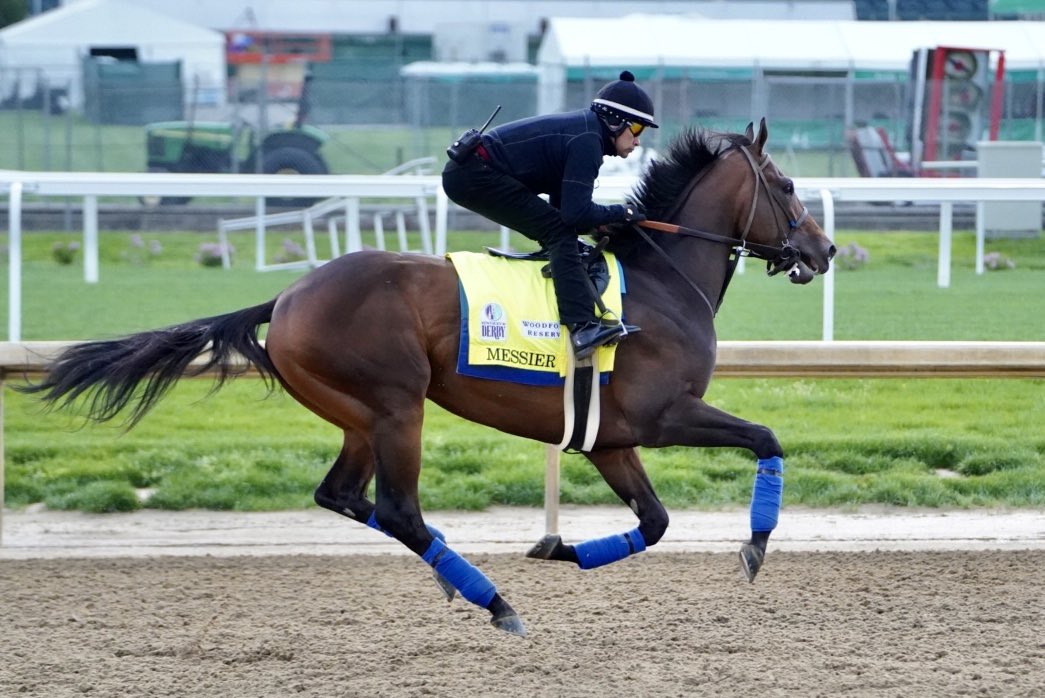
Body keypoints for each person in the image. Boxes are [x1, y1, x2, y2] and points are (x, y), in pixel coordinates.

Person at [442, 70, 657, 360]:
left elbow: (564, 203)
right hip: (473, 176)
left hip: (473, 171)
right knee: (559, 233)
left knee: (561, 234)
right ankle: (582, 328)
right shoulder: (587, 141)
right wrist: (622, 211)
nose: (638, 141)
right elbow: (574, 215)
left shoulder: (587, 132)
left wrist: (600, 220)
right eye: (639, 129)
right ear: (615, 121)